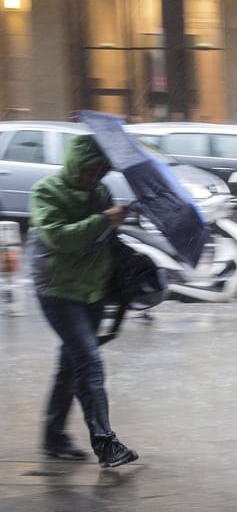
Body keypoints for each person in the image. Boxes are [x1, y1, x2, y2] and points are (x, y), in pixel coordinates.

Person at [27, 134, 139, 467]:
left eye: (100, 171)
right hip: (58, 292)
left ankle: (53, 437)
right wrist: (104, 220)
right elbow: (58, 236)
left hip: (93, 291)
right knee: (89, 363)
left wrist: (121, 221)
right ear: (75, 165)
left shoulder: (101, 193)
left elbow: (105, 239)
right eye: (89, 170)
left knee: (70, 366)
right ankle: (106, 444)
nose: (94, 178)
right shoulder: (46, 192)